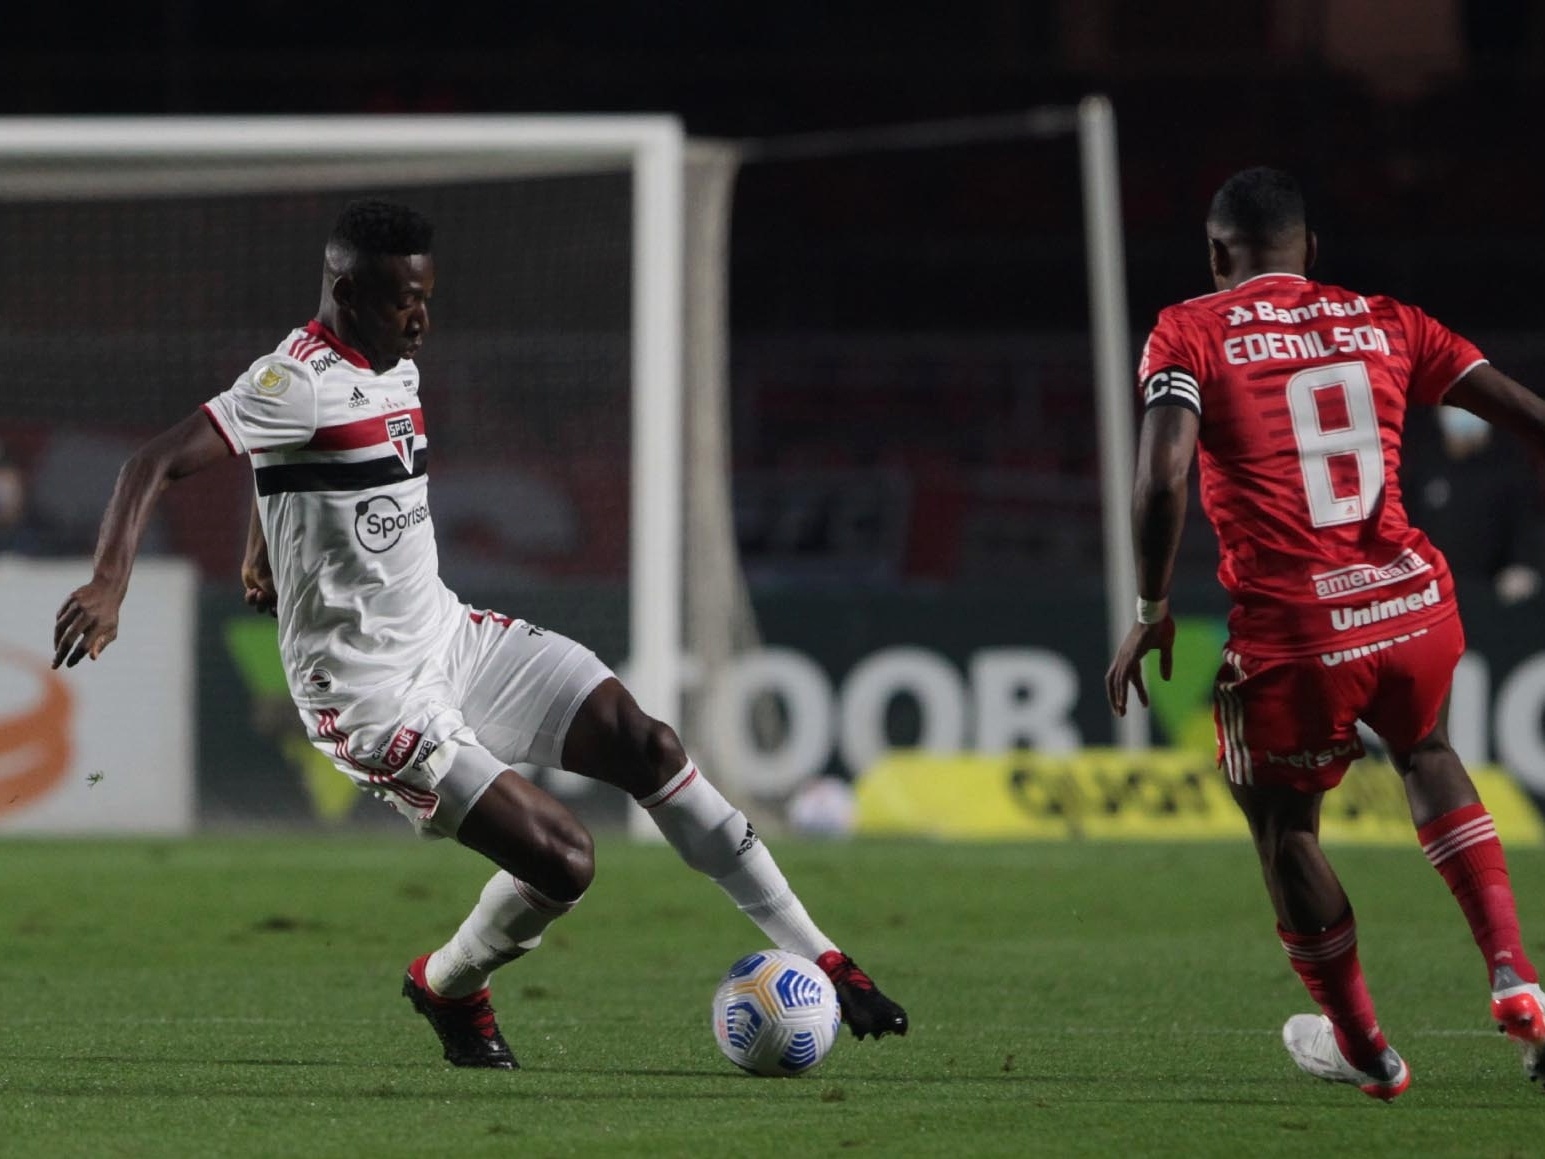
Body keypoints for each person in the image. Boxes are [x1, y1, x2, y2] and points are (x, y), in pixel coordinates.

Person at [52, 198, 908, 1069]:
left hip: (450, 636)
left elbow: (284, 469)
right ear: (346, 291)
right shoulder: (298, 377)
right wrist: (109, 583)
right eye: (400, 301)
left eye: (427, 297)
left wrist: (261, 549)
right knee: (566, 861)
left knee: (646, 743)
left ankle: (824, 956)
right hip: (368, 696)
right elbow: (149, 462)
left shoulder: (395, 364)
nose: (420, 318)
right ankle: (448, 983)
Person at [1105, 167, 1545, 1101]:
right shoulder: (1389, 319)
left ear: (1217, 254)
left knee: (1282, 826)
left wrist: (1148, 612)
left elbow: (1160, 480)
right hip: (1412, 602)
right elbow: (1527, 417)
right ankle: (1513, 972)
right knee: (1426, 749)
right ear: (1309, 251)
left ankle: (1365, 1048)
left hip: (1298, 627)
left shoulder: (1187, 328)